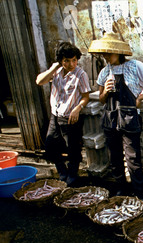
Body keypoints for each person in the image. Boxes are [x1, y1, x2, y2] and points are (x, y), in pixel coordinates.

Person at [88, 32, 143, 200]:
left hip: (130, 119)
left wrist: (140, 98)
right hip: (110, 119)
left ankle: (140, 193)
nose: (106, 56)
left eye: (109, 53)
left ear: (119, 51)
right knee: (114, 158)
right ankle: (121, 189)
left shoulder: (136, 66)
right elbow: (101, 100)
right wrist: (106, 91)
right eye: (104, 53)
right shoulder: (104, 72)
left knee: (133, 159)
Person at [36, 42, 91, 186]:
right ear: (61, 60)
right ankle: (62, 172)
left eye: (74, 60)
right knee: (50, 146)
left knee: (73, 148)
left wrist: (78, 108)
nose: (71, 64)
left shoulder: (81, 74)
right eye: (67, 60)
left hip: (71, 117)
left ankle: (72, 175)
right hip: (55, 115)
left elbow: (86, 96)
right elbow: (39, 81)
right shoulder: (56, 72)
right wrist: (53, 68)